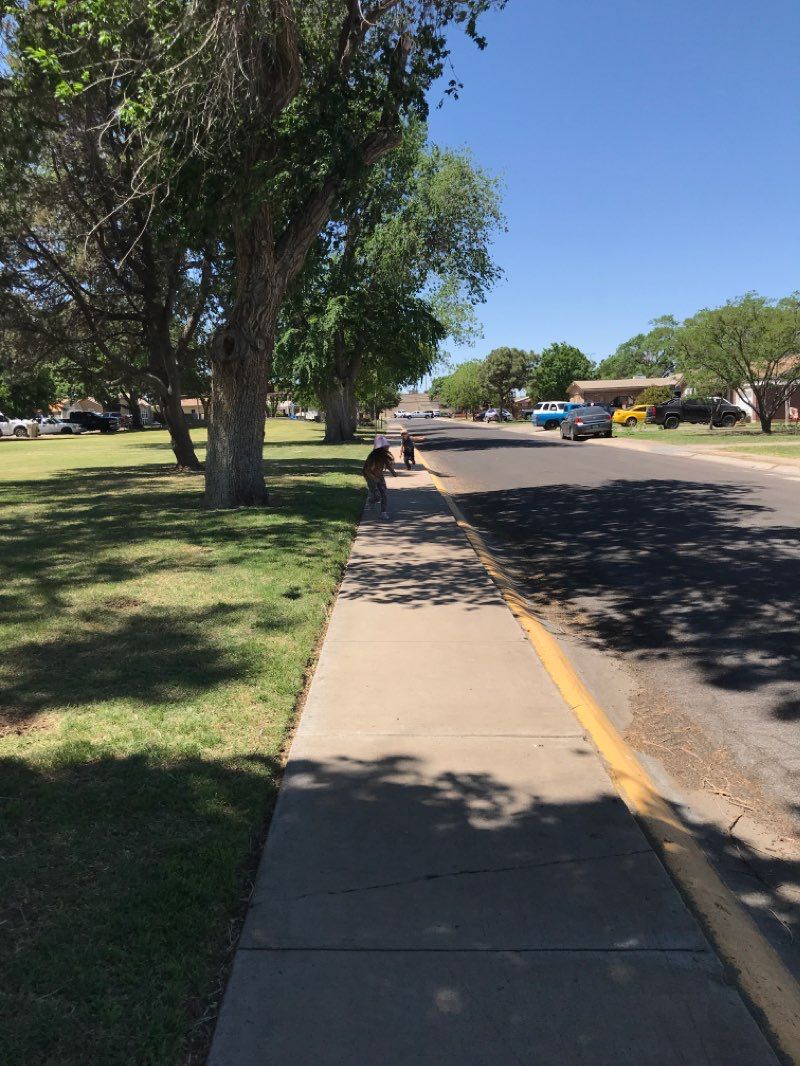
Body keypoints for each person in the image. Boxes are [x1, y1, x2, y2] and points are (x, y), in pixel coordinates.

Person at [363, 436, 396, 519]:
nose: (388, 446)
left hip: (379, 476)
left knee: (384, 494)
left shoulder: (383, 455)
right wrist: (374, 478)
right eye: (386, 446)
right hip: (370, 477)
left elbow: (387, 464)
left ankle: (383, 513)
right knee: (377, 496)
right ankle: (371, 500)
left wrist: (393, 472)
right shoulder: (373, 457)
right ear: (380, 448)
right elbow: (366, 470)